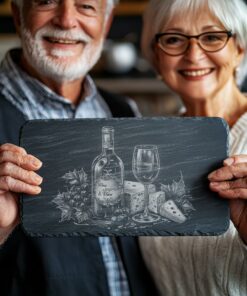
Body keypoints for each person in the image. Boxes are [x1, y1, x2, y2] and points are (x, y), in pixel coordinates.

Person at [0, 1, 157, 295]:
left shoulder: (123, 112)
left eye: (86, 6)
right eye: (47, 1)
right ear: (19, 15)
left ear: (106, 24)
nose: (67, 20)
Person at [140, 0, 247, 295]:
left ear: (240, 48)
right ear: (156, 56)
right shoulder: (150, 147)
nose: (194, 54)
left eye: (212, 37)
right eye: (174, 39)